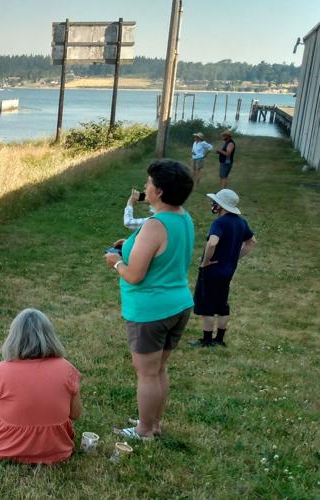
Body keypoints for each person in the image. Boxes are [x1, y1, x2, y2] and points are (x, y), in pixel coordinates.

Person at [104, 159, 195, 440]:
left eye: (149, 184)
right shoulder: (183, 217)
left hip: (151, 311)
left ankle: (143, 431)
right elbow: (161, 250)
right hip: (178, 304)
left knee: (146, 373)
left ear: (160, 191)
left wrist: (116, 261)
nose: (145, 187)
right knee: (158, 369)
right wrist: (129, 243)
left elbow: (133, 275)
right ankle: (153, 422)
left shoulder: (156, 225)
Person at [0, 308, 82, 465]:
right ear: (50, 336)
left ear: (13, 337)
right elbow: (75, 414)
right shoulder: (67, 369)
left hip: (4, 449)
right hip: (56, 450)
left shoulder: (0, 370)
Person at [190, 189, 257, 347]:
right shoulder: (241, 222)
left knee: (207, 304)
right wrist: (235, 257)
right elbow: (252, 241)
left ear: (221, 205)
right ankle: (219, 339)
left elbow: (212, 242)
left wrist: (206, 261)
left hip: (212, 270)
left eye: (216, 202)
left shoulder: (219, 223)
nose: (213, 205)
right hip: (228, 271)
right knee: (222, 304)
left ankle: (206, 341)